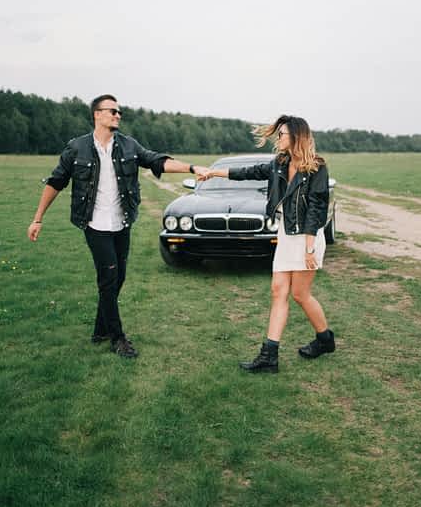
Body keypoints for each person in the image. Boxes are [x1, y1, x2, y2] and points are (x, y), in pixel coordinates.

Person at [27, 94, 209, 358]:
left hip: (121, 222)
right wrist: (38, 218)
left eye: (119, 112)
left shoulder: (128, 145)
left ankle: (100, 329)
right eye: (112, 111)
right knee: (109, 277)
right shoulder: (76, 148)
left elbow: (157, 161)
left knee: (117, 277)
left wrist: (191, 167)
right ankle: (117, 337)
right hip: (94, 224)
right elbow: (56, 182)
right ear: (97, 115)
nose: (117, 115)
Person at [205, 115, 335, 373]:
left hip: (306, 237)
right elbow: (249, 172)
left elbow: (317, 209)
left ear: (297, 136)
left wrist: (309, 248)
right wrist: (213, 173)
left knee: (300, 295)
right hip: (287, 235)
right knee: (278, 291)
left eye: (283, 134)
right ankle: (269, 356)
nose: (278, 139)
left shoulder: (317, 168)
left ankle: (325, 340)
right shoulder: (279, 163)